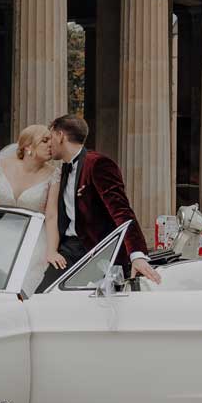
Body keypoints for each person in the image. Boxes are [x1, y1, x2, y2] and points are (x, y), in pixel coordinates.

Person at [39, 114, 161, 290]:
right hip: (70, 249)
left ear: (60, 136)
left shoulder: (97, 164)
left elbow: (121, 211)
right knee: (42, 296)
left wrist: (137, 254)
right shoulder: (64, 169)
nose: (49, 143)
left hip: (98, 252)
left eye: (50, 137)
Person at [0, 125, 62, 294]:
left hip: (33, 239)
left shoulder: (54, 174)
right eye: (45, 140)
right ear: (28, 147)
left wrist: (51, 251)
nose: (51, 145)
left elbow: (51, 215)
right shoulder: (0, 166)